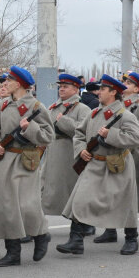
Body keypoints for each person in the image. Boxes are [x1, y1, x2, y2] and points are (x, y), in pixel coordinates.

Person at [56, 75, 139, 257]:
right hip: (94, 163)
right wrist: (81, 150)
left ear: (114, 92)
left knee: (124, 203)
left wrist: (111, 134)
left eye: (103, 89)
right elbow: (79, 134)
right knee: (80, 199)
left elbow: (137, 138)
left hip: (116, 164)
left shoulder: (124, 115)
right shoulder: (93, 113)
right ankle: (76, 240)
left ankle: (131, 239)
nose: (99, 92)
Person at [0, 66, 54, 267]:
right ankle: (12, 252)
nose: (5, 83)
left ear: (20, 84)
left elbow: (48, 136)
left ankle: (41, 234)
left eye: (10, 80)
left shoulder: (36, 107)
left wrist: (30, 128)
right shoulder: (2, 105)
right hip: (4, 159)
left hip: (26, 160)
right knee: (7, 207)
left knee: (28, 205)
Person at [93, 71, 139, 243]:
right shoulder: (118, 105)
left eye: (129, 83)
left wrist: (127, 129)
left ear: (137, 89)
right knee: (112, 191)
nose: (125, 85)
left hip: (133, 153)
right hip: (115, 150)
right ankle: (110, 229)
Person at [40, 74, 89, 228]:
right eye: (60, 86)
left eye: (65, 86)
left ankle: (82, 222)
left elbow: (84, 131)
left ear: (76, 89)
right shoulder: (54, 107)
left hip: (69, 153)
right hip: (52, 151)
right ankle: (37, 225)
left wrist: (63, 121)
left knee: (71, 189)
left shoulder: (82, 108)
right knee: (43, 187)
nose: (61, 89)